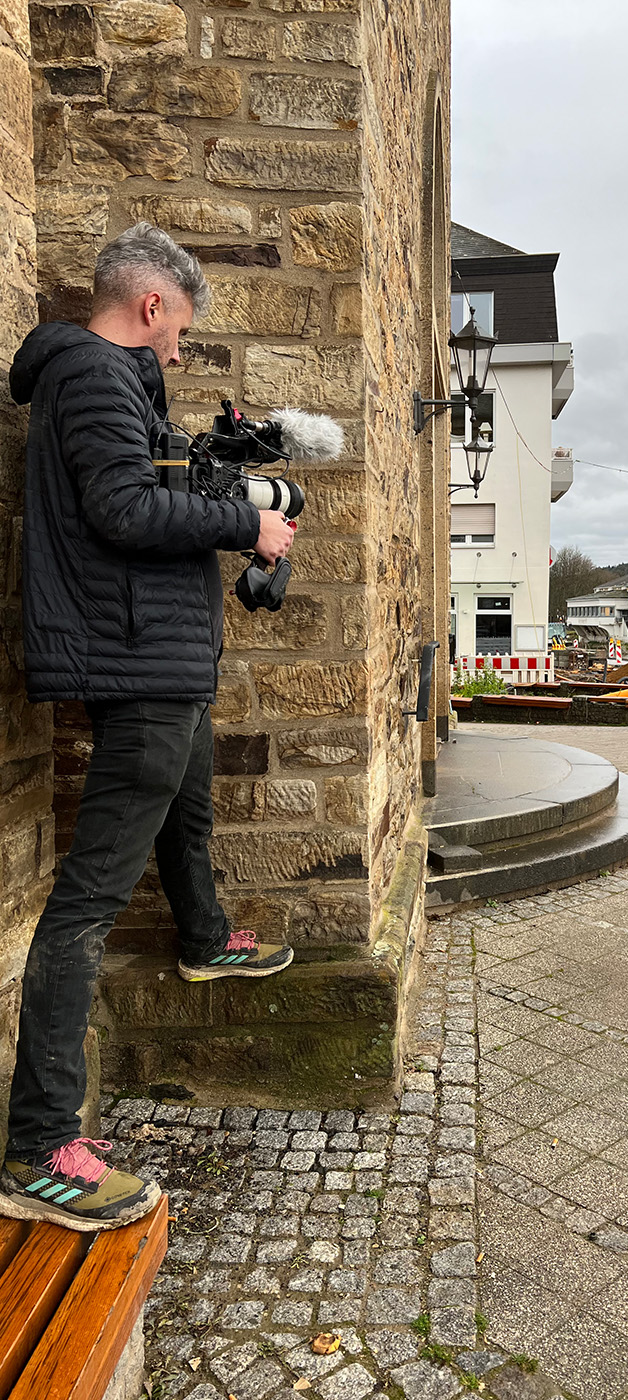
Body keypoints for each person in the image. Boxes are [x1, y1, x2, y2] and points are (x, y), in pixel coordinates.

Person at [1, 224, 297, 1232]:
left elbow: (141, 490)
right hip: (137, 662)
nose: (178, 352)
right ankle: (39, 1145)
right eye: (179, 332)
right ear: (153, 305)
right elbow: (123, 509)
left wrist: (224, 481)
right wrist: (245, 523)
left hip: (162, 657)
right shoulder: (90, 372)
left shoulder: (114, 386)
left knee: (191, 808)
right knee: (86, 900)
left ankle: (206, 936)